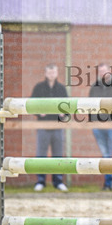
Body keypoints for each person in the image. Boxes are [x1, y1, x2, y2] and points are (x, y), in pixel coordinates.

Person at [32, 64, 68, 192]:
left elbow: (68, 106)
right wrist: (38, 113)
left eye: (53, 72)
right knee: (41, 154)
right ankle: (40, 181)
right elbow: (31, 104)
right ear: (45, 73)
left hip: (57, 126)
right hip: (43, 126)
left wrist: (64, 114)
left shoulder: (62, 89)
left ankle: (58, 181)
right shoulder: (39, 87)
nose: (51, 74)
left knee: (58, 154)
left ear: (57, 73)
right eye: (49, 72)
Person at [90, 62, 112, 191]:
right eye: (100, 71)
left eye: (104, 71)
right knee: (105, 154)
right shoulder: (95, 87)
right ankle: (108, 183)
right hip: (98, 126)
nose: (102, 73)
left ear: (109, 71)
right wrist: (93, 121)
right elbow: (90, 105)